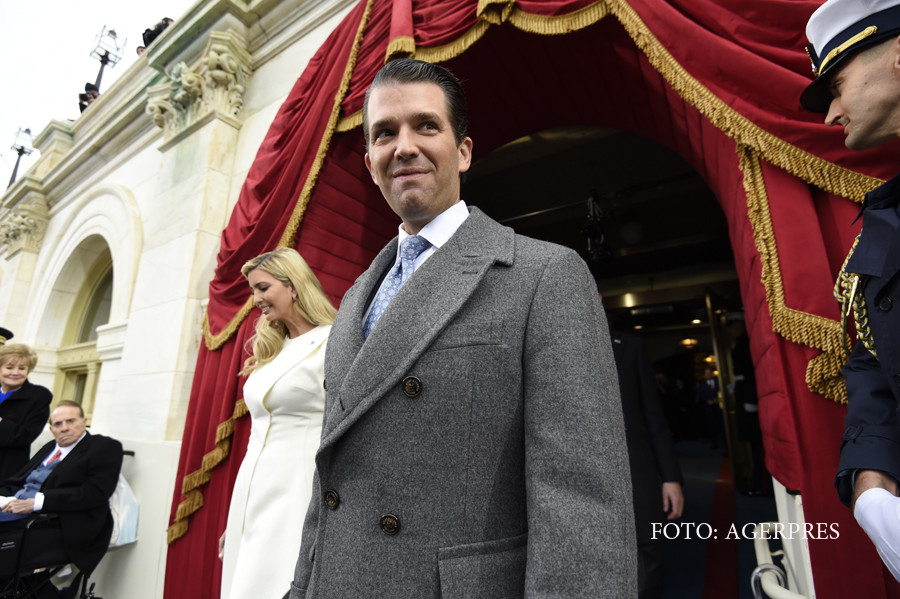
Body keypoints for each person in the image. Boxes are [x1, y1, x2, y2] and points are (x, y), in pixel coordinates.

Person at [288, 58, 635, 598]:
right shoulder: (356, 298)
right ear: (370, 162)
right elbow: (330, 482)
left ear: (464, 151)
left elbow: (580, 499)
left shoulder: (545, 275)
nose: (404, 145)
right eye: (385, 133)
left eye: (426, 125)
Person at [801, 0, 900, 580]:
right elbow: (870, 358)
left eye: (836, 85)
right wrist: (869, 486)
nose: (830, 112)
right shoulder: (884, 223)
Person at [219, 248, 336, 599]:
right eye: (253, 290)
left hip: (297, 490)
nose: (256, 299)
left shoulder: (334, 340)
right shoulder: (272, 349)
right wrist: (236, 516)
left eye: (263, 288)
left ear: (294, 286)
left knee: (277, 582)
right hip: (253, 490)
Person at [0, 401, 122, 586]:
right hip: (15, 509)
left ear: (84, 421)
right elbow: (18, 481)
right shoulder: (50, 447)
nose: (64, 428)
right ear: (51, 428)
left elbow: (94, 493)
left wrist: (36, 503)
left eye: (71, 421)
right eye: (58, 424)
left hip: (56, 522)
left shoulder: (103, 447)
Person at [610, 329, 684, 599]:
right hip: (583, 478)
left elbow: (653, 414)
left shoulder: (630, 346)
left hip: (637, 471)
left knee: (647, 570)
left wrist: (670, 477)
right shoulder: (556, 343)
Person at [0, 343, 52, 481]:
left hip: (6, 470)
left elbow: (25, 436)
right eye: (9, 367)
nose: (15, 372)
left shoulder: (38, 396)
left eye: (22, 368)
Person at [697, 367, 723, 449]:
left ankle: (725, 444)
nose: (708, 375)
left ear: (712, 374)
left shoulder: (718, 382)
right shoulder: (702, 385)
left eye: (709, 373)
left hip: (719, 407)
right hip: (709, 409)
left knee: (721, 426)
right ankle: (714, 443)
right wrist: (706, 401)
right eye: (706, 373)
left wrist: (717, 400)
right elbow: (700, 396)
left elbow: (721, 392)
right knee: (712, 426)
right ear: (704, 375)